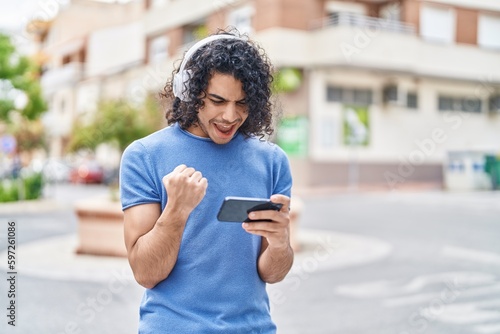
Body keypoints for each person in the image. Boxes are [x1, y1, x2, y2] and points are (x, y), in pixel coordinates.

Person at [119, 29, 293, 333]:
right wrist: (176, 211)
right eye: (217, 100)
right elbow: (146, 273)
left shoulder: (272, 161)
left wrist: (280, 244)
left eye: (242, 103)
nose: (230, 115)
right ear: (190, 90)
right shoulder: (144, 156)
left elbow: (272, 273)